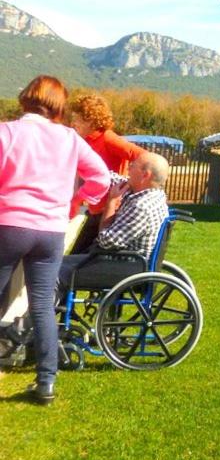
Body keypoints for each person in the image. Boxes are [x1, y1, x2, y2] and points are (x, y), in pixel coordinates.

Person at [0, 75, 110, 405]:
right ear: (58, 106)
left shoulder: (7, 132)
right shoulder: (70, 139)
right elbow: (101, 178)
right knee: (42, 303)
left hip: (9, 226)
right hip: (51, 231)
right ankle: (46, 382)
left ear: (26, 98)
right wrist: (76, 201)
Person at [59, 153, 170, 292]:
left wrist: (112, 201)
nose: (128, 167)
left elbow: (105, 241)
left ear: (145, 175)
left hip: (124, 266)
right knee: (59, 264)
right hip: (127, 262)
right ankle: (56, 310)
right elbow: (108, 177)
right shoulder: (151, 193)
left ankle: (43, 313)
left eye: (133, 165)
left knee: (55, 270)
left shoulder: (141, 207)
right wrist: (79, 164)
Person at [67, 94, 146, 255]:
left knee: (78, 257)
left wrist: (129, 183)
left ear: (91, 120)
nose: (73, 123)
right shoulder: (86, 141)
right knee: (80, 256)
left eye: (78, 119)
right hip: (96, 209)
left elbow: (143, 156)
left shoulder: (108, 138)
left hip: (109, 209)